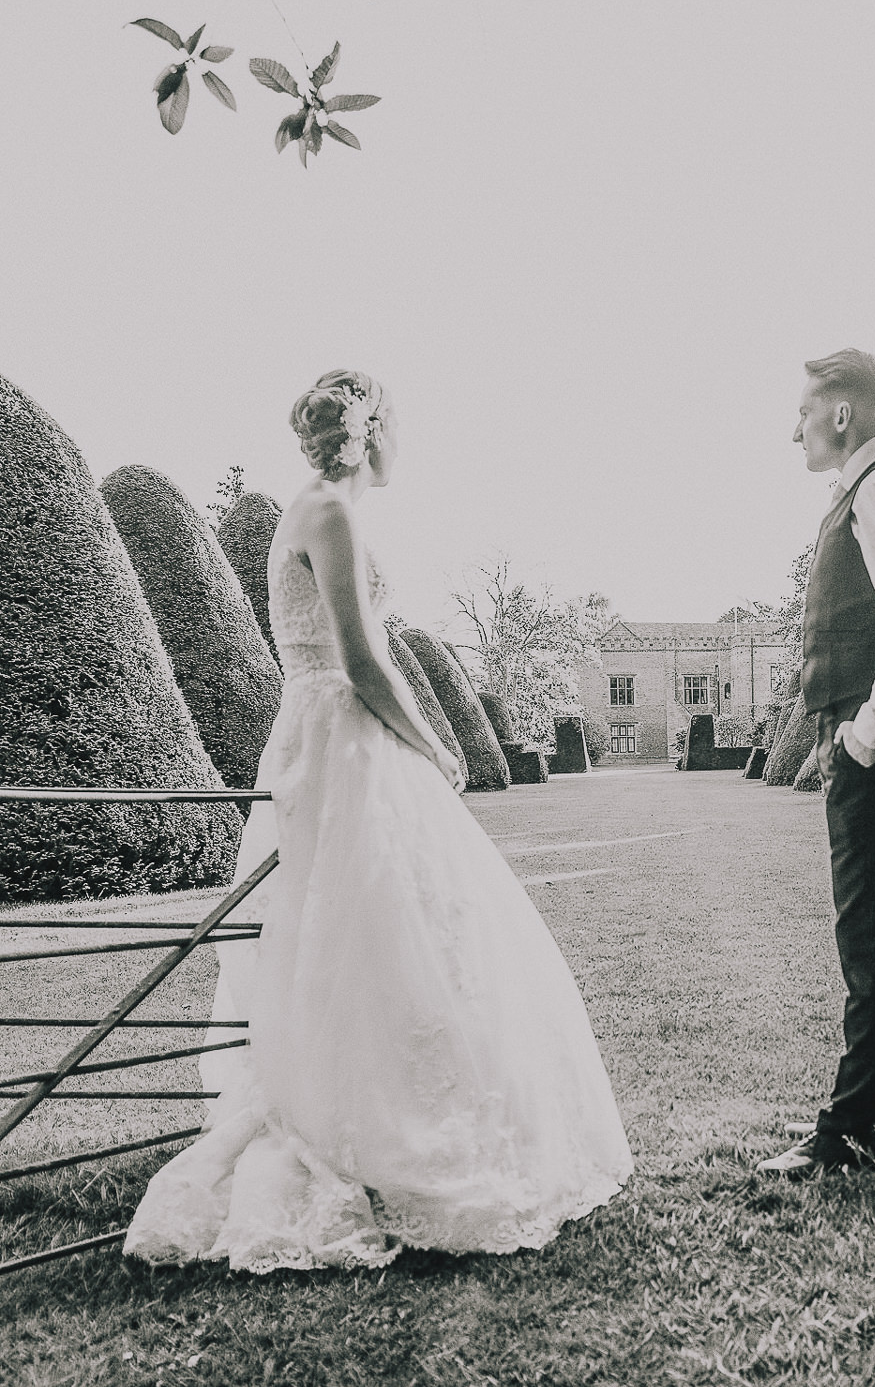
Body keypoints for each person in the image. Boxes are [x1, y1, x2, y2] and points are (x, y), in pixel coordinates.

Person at [125, 369, 632, 1271]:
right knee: (367, 929)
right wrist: (436, 747)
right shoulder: (330, 513)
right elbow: (362, 660)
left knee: (377, 932)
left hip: (324, 733)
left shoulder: (319, 508)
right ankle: (375, 1132)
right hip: (344, 740)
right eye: (399, 427)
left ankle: (385, 1109)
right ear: (374, 432)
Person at [758, 349, 875, 1179]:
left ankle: (851, 1131)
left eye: (803, 410)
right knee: (873, 935)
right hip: (866, 732)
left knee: (868, 938)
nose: (791, 427)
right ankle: (874, 1114)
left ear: (841, 414)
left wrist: (868, 731)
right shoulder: (863, 495)